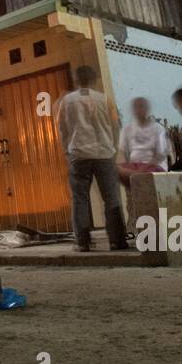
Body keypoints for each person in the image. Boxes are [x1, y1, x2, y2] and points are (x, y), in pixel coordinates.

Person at [57, 65, 130, 251]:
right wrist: (112, 148)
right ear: (94, 79)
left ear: (76, 79)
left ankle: (83, 242)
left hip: (79, 155)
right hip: (104, 154)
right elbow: (115, 126)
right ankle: (117, 240)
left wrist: (68, 151)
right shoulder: (105, 100)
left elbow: (63, 130)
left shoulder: (67, 101)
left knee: (80, 199)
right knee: (111, 198)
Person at [116, 96, 171, 186]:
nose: (139, 110)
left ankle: (137, 176)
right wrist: (124, 168)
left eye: (141, 107)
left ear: (147, 109)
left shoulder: (158, 129)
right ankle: (136, 176)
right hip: (134, 167)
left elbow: (160, 155)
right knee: (113, 169)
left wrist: (142, 170)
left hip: (154, 167)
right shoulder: (127, 129)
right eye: (136, 107)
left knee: (138, 174)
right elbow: (121, 152)